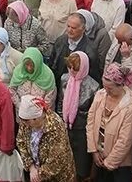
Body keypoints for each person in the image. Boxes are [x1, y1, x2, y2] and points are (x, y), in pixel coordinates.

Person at [86, 63, 132, 182]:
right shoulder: (100, 95)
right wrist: (93, 150)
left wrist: (109, 163)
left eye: (110, 88)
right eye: (104, 87)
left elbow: (125, 141)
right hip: (98, 157)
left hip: (119, 166)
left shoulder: (130, 109)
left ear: (120, 85)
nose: (106, 91)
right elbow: (90, 122)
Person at [57, 51, 99, 181]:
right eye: (69, 68)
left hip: (82, 131)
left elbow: (93, 113)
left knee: (80, 166)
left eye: (75, 69)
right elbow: (60, 102)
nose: (72, 72)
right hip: (65, 126)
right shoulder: (65, 79)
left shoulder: (93, 86)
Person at [16, 94, 77, 182]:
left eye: (27, 122)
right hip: (36, 172)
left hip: (58, 176)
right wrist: (31, 166)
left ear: (36, 119)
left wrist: (37, 175)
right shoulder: (26, 121)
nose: (25, 124)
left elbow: (56, 160)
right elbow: (20, 141)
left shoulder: (55, 127)